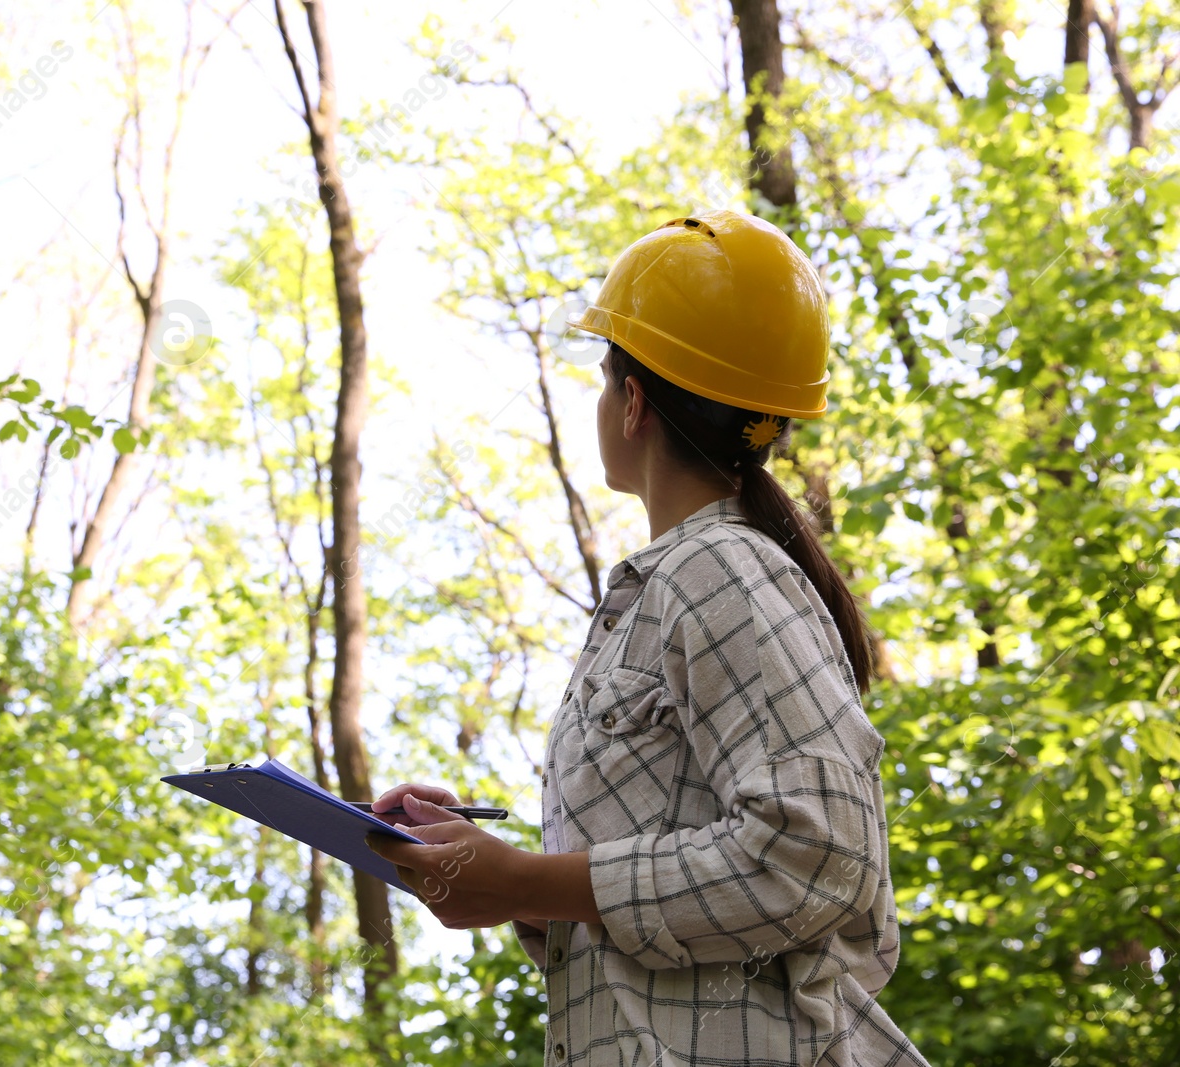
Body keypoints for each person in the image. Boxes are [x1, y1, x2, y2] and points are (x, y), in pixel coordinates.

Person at [367, 210, 930, 1066]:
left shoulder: (723, 569)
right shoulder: (678, 586)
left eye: (606, 378)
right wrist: (502, 879)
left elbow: (821, 851)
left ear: (632, 402)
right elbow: (673, 915)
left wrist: (525, 878)